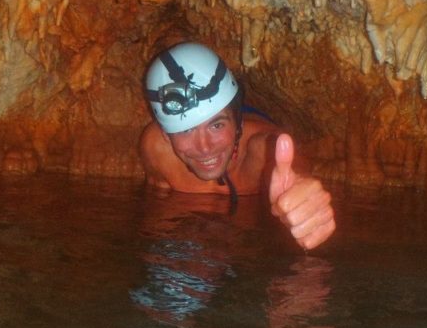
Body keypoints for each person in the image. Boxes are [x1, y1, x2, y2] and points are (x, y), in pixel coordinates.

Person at [140, 42, 336, 250]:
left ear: (238, 122)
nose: (204, 148)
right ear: (166, 135)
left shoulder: (259, 148)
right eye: (186, 130)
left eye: (216, 125)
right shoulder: (157, 151)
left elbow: (288, 158)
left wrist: (300, 189)